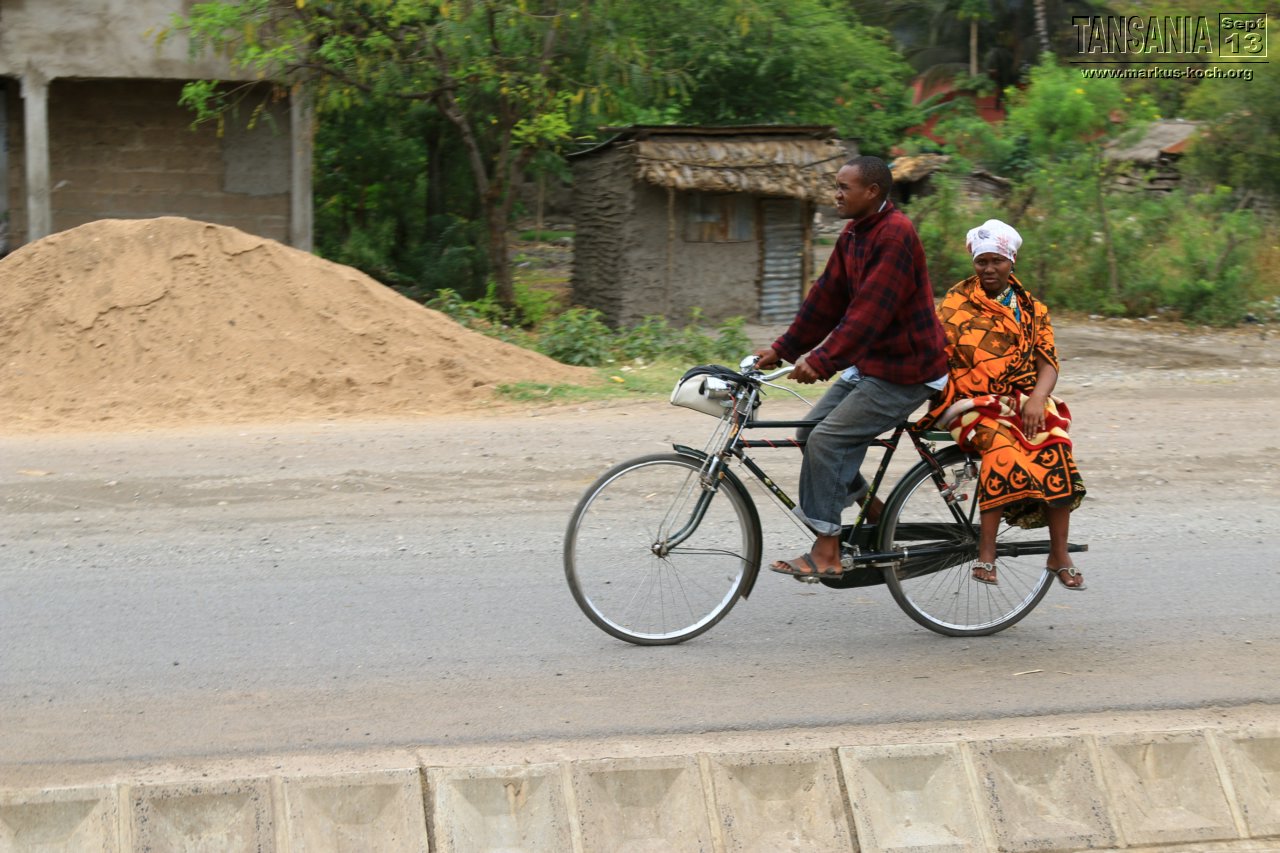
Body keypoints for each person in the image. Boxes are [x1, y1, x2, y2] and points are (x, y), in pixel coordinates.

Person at [755, 156, 949, 578]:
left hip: (907, 370)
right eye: (836, 186)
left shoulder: (895, 235)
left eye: (845, 187)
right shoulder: (854, 235)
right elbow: (826, 299)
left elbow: (868, 315)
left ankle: (828, 552)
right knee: (810, 434)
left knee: (827, 441)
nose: (837, 194)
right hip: (874, 363)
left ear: (873, 192)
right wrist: (784, 349)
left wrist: (821, 360)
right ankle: (879, 515)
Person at [921, 219, 1087, 589]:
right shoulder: (954, 304)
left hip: (1021, 401)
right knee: (1001, 449)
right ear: (974, 263)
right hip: (968, 404)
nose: (989, 269)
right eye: (982, 262)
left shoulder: (1033, 311)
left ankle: (1059, 552)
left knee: (1056, 445)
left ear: (1012, 262)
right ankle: (986, 553)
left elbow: (1048, 363)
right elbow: (935, 355)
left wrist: (1038, 399)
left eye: (997, 261)